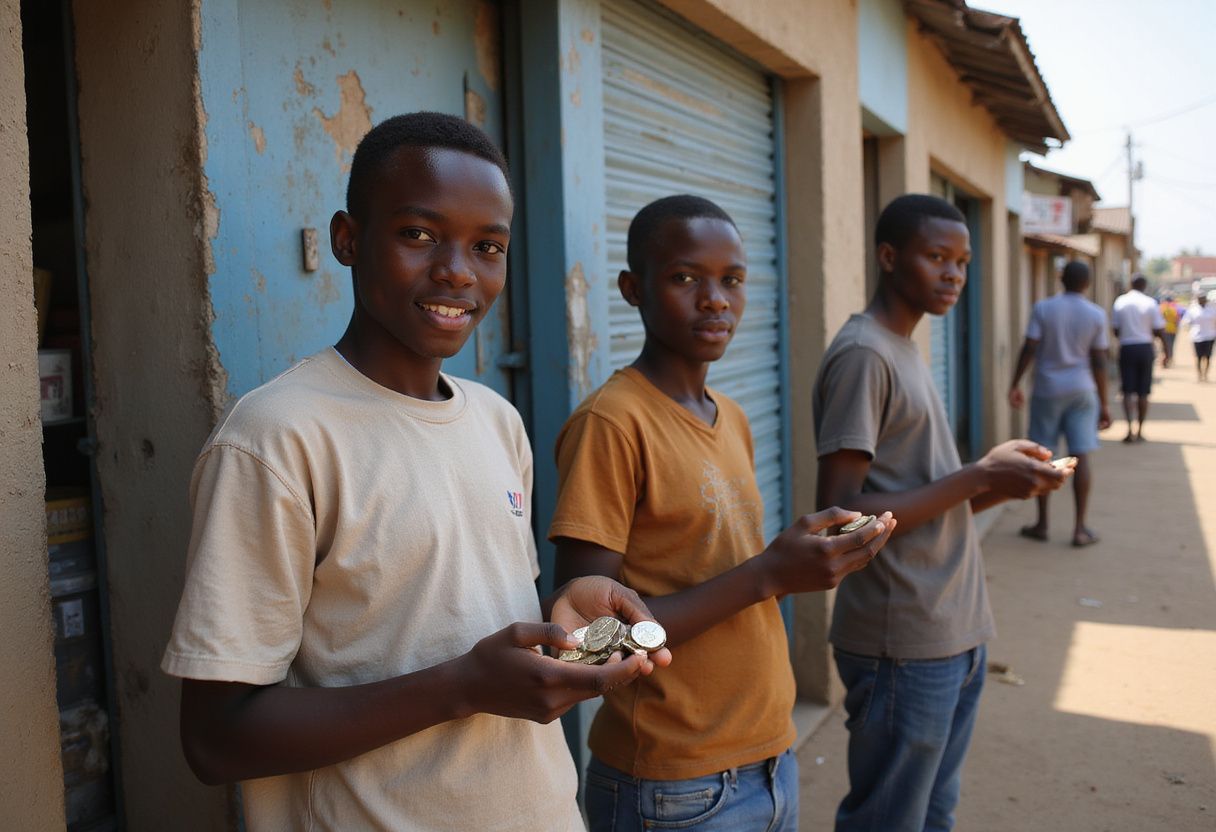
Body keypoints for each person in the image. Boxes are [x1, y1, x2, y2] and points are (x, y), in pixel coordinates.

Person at [161, 112, 671, 831]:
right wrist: (462, 686)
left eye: (487, 246)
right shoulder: (276, 440)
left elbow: (467, 619)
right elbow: (216, 740)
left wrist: (562, 618)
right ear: (348, 238)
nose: (457, 271)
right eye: (419, 235)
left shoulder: (496, 420)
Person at [549, 195, 897, 832]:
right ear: (633, 288)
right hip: (671, 782)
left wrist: (797, 564)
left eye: (732, 280)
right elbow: (589, 644)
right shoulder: (612, 423)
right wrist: (770, 574)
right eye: (686, 278)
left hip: (767, 753)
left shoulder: (730, 416)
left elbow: (725, 573)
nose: (715, 299)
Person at [813, 194, 1072, 832]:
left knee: (933, 814)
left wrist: (1002, 484)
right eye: (937, 257)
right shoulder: (865, 354)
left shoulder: (903, 346)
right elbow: (839, 514)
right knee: (889, 819)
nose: (954, 273)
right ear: (888, 257)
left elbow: (926, 495)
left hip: (954, 627)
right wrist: (980, 473)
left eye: (962, 261)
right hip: (902, 637)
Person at [1008, 260, 1112, 547]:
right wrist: (1104, 403)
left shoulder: (1044, 308)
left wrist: (1015, 383)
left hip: (1047, 390)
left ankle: (1042, 524)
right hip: (1082, 391)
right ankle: (1080, 529)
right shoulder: (1096, 314)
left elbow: (1029, 347)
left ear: (1061, 279)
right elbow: (1100, 361)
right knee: (1082, 457)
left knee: (1043, 458)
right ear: (1087, 283)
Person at [1110, 274, 1166, 442]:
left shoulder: (1120, 302)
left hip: (1127, 348)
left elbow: (1115, 330)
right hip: (1145, 348)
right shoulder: (1150, 303)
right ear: (1145, 285)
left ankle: (1129, 429)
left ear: (1130, 284)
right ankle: (1140, 430)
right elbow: (1159, 329)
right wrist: (1167, 351)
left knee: (1127, 391)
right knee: (1143, 392)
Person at [1187, 291, 1216, 382]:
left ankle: (1205, 374)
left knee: (1207, 356)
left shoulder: (1212, 309)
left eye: (1203, 298)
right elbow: (1187, 321)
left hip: (1209, 336)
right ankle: (1199, 374)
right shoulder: (1193, 309)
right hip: (1197, 336)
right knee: (1199, 357)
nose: (1201, 300)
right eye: (1200, 299)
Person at [1159, 292, 1182, 368]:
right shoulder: (1175, 308)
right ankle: (1170, 359)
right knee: (1171, 345)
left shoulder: (1161, 307)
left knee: (1164, 345)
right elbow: (1177, 319)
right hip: (1172, 329)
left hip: (1164, 329)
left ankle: (1165, 359)